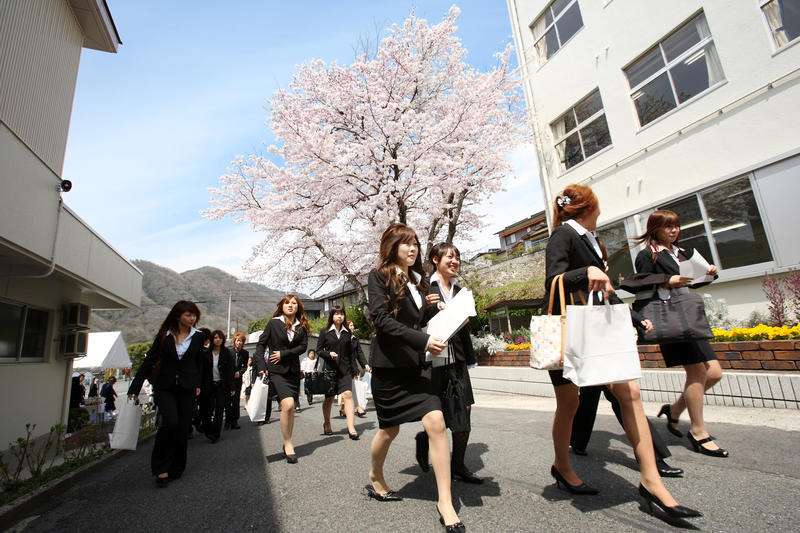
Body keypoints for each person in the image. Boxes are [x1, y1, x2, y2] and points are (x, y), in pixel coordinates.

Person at [543, 184, 701, 521]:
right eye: (598, 205)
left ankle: (651, 482)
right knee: (568, 405)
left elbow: (607, 292)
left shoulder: (593, 240)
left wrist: (634, 317)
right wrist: (585, 271)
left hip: (600, 328)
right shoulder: (563, 235)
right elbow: (553, 281)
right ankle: (562, 465)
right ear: (587, 207)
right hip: (572, 331)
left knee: (630, 393)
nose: (601, 210)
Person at [366, 223, 464, 532]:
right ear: (392, 246)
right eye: (406, 244)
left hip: (416, 367)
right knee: (389, 430)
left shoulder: (418, 282)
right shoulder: (378, 277)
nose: (413, 249)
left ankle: (445, 501)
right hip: (389, 370)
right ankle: (375, 475)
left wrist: (429, 312)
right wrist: (423, 341)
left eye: (416, 245)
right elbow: (381, 320)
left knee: (436, 422)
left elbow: (415, 321)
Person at [622, 209, 728, 458]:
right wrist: (667, 280)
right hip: (672, 320)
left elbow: (690, 283)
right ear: (655, 229)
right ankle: (699, 432)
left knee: (714, 373)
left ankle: (674, 410)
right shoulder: (648, 254)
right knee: (698, 371)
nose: (674, 230)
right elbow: (640, 281)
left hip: (690, 317)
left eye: (676, 225)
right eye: (667, 226)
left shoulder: (681, 252)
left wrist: (708, 275)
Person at [414, 242, 483, 485]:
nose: (454, 262)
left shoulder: (460, 291)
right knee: (439, 416)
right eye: (449, 257)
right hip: (434, 361)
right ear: (435, 260)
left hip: (458, 360)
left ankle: (458, 466)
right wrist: (426, 308)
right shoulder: (424, 288)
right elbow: (414, 323)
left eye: (457, 258)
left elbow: (464, 326)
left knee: (464, 412)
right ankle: (424, 439)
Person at [128, 300, 205, 487]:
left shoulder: (198, 336)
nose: (192, 318)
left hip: (187, 387)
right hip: (165, 386)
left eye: (194, 314)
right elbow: (150, 360)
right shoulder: (165, 335)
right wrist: (134, 388)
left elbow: (200, 363)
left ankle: (177, 466)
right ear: (178, 316)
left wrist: (199, 384)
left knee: (182, 426)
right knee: (170, 422)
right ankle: (160, 468)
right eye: (188, 314)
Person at [254, 294, 310, 464]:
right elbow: (260, 345)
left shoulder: (302, 326)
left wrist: (284, 353)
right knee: (288, 405)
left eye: (294, 303)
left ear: (298, 307)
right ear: (282, 306)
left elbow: (303, 347)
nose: (290, 305)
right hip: (276, 371)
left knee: (290, 409)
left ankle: (287, 441)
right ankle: (288, 443)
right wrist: (262, 367)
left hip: (292, 371)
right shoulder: (274, 323)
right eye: (287, 303)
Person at [316, 306, 359, 439]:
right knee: (329, 398)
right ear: (332, 316)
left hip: (345, 369)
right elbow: (318, 350)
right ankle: (327, 423)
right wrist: (329, 354)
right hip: (330, 370)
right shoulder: (324, 332)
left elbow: (352, 353)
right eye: (336, 314)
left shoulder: (348, 333)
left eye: (342, 314)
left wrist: (354, 368)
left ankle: (351, 427)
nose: (339, 316)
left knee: (348, 394)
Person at [201, 330, 235, 443]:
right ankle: (208, 430)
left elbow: (230, 372)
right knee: (207, 409)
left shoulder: (227, 353)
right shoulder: (206, 353)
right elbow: (202, 371)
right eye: (215, 337)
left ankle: (216, 434)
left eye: (220, 337)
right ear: (212, 339)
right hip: (208, 385)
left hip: (222, 385)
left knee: (219, 409)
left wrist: (232, 387)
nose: (218, 339)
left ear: (223, 339)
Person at [226, 331, 249, 430]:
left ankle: (235, 421)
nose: (239, 342)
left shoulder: (245, 353)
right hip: (227, 380)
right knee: (227, 400)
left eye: (241, 341)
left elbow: (244, 367)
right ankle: (227, 421)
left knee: (235, 401)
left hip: (237, 380)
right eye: (237, 340)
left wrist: (240, 372)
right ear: (234, 341)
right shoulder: (228, 351)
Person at [350, 322, 370, 418]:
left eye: (353, 325)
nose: (352, 327)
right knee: (347, 389)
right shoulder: (342, 337)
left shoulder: (355, 339)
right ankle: (344, 408)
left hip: (353, 366)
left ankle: (358, 407)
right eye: (350, 325)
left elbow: (359, 353)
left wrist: (365, 365)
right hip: (342, 366)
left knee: (354, 387)